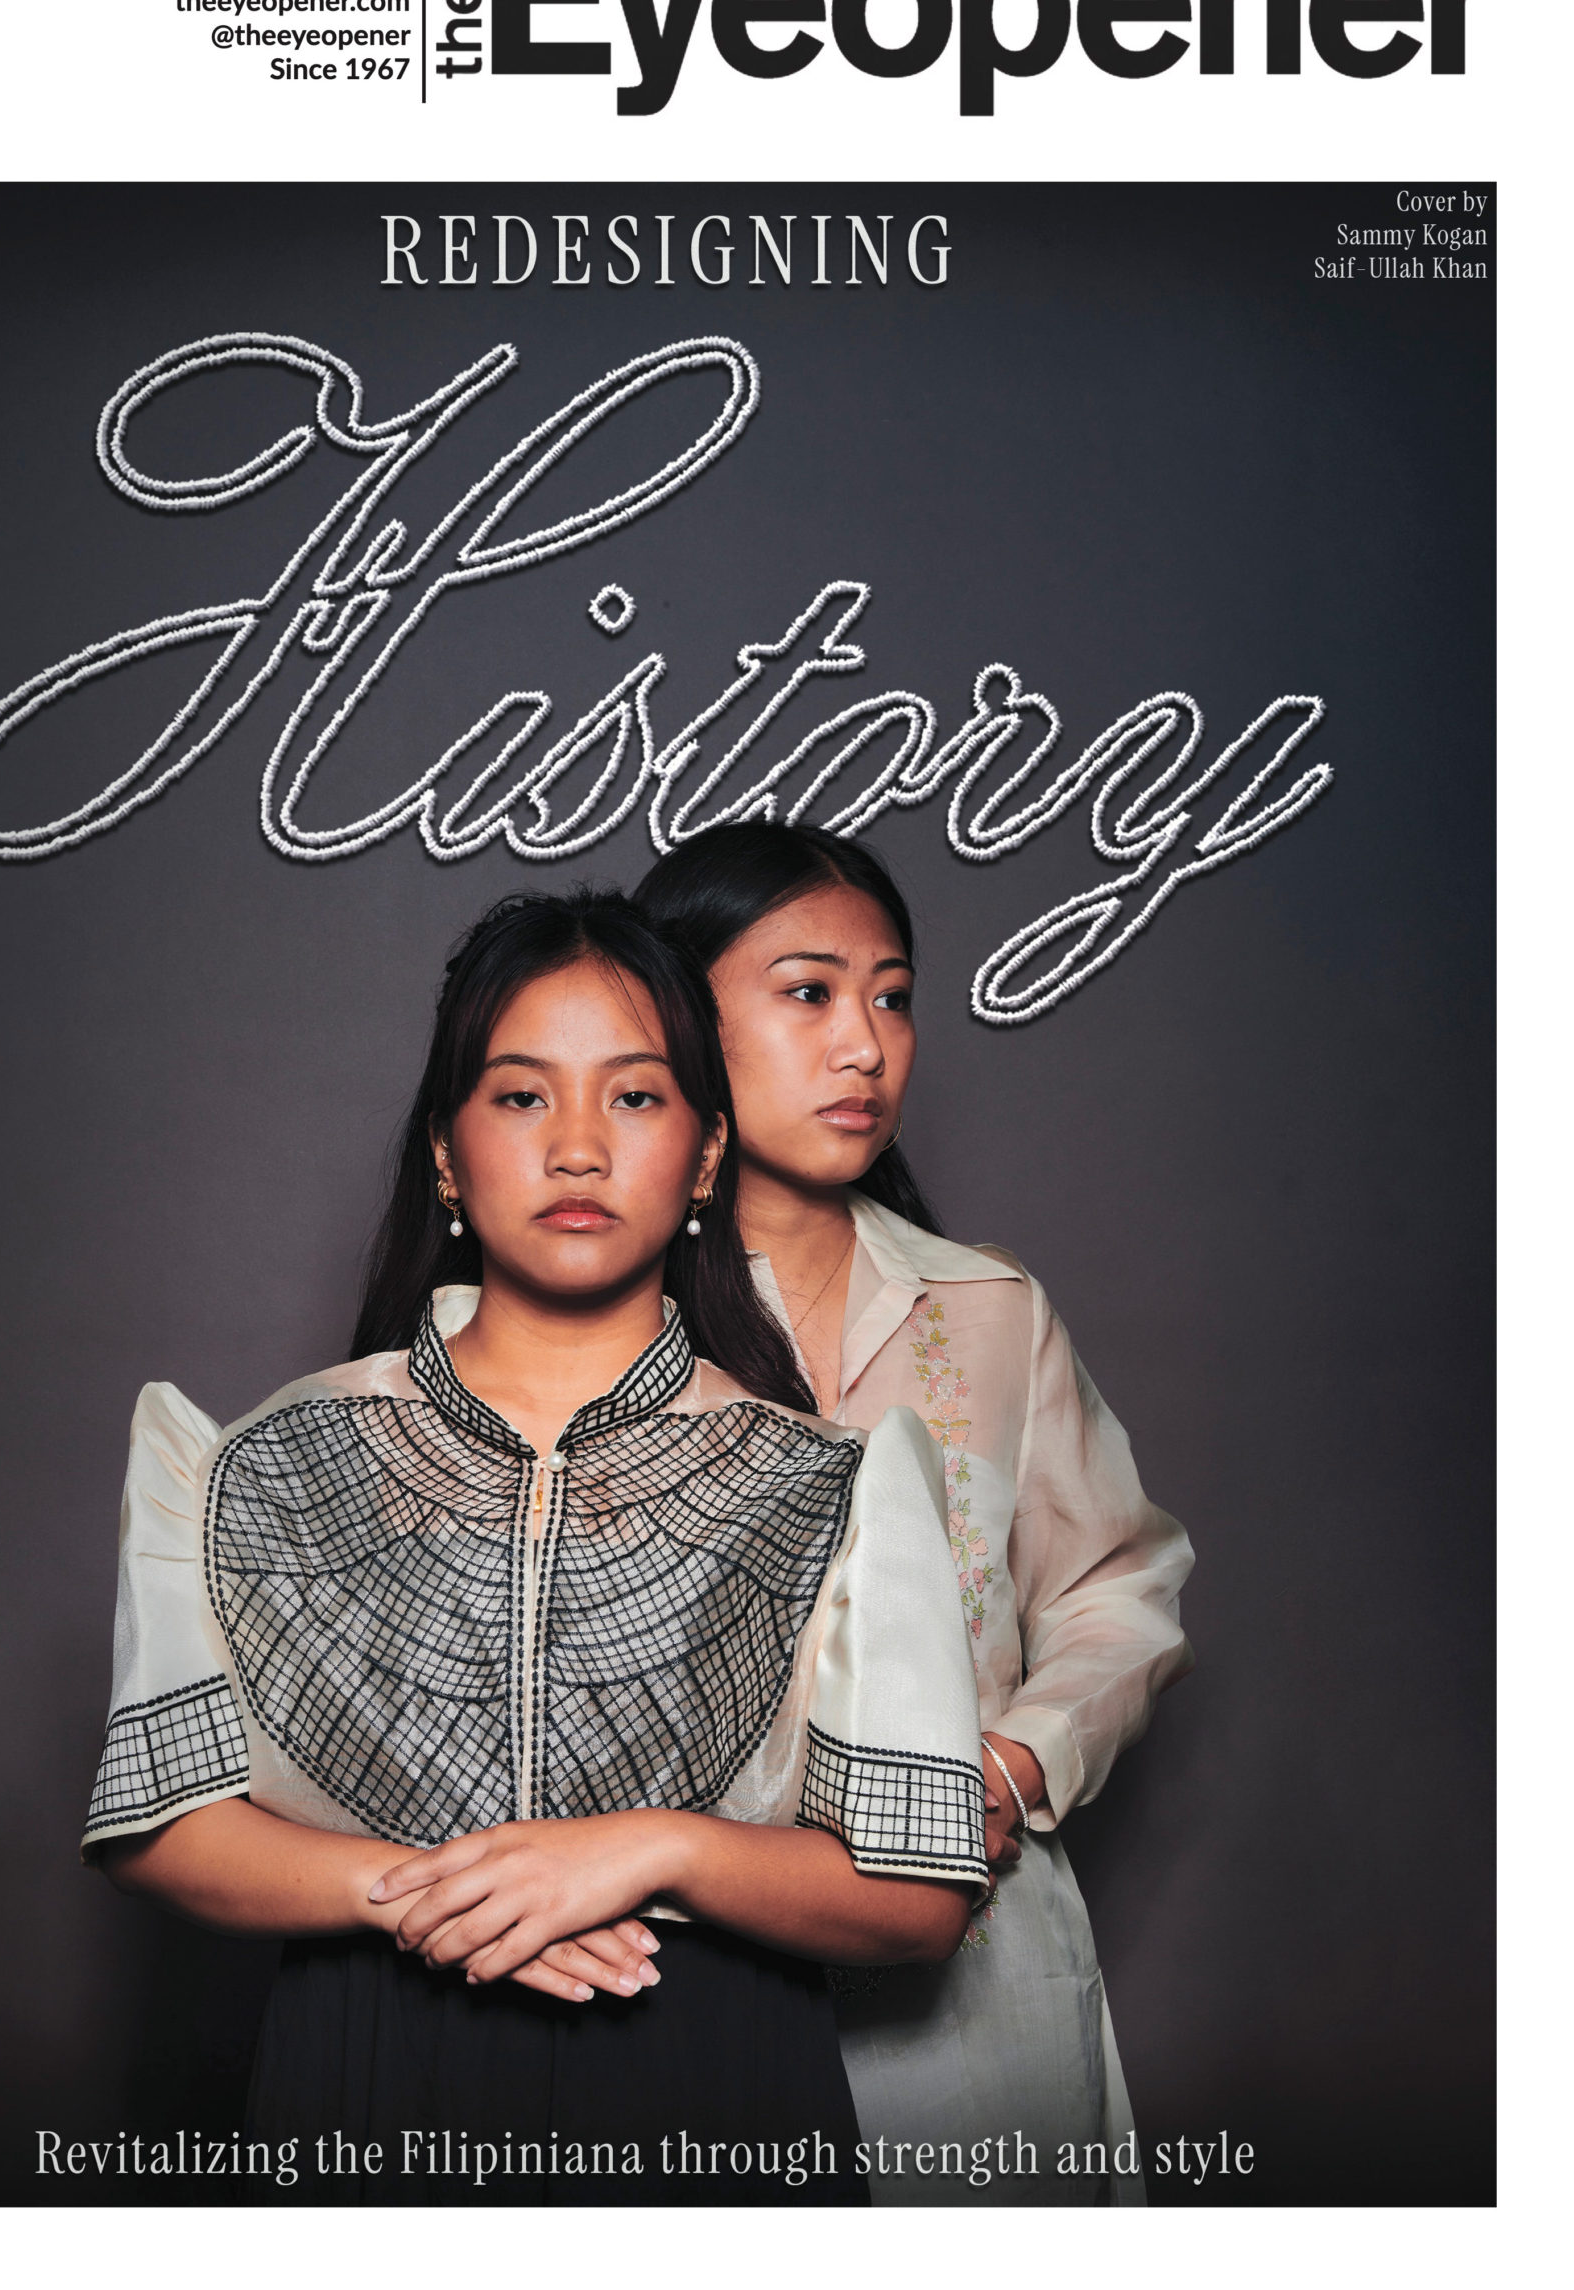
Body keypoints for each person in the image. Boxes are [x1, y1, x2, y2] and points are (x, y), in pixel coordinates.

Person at [82, 889, 991, 2205]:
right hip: (366, 2075)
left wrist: (654, 1848)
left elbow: (917, 1897)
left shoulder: (832, 1480)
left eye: (631, 1099)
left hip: (714, 2088)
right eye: (519, 1098)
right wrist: (435, 1897)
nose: (575, 1148)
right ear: (445, 1153)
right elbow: (158, 1826)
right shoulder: (254, 1462)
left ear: (703, 1153)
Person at [633, 824, 1194, 2209]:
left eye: (892, 996)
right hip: (681, 1966)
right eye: (808, 992)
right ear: (672, 1020)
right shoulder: (584, 1314)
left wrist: (1014, 1761)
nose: (866, 1046)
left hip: (974, 1981)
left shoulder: (986, 1307)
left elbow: (1118, 1584)